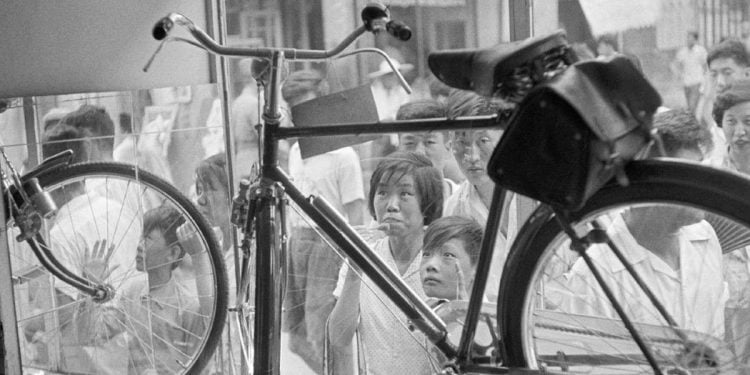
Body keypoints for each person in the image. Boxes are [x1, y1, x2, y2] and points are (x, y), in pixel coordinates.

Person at [554, 109, 726, 337]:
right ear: (648, 183)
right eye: (690, 173)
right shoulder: (595, 276)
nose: (704, 185)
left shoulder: (704, 237)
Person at [328, 151, 443, 375]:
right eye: (382, 193)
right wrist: (355, 268)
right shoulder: (364, 256)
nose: (391, 205)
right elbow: (339, 339)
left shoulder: (443, 257)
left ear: (427, 204)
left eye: (405, 194)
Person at [282, 68, 366, 373]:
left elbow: (356, 216)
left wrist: (351, 265)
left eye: (309, 106)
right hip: (298, 241)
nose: (303, 116)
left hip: (329, 244)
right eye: (295, 109)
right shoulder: (294, 150)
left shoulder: (343, 155)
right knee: (296, 338)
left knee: (323, 332)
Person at [122, 204, 207, 374]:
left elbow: (200, 366)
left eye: (148, 239)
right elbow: (93, 334)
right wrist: (89, 285)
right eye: (140, 238)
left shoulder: (189, 307)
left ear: (173, 253)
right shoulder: (131, 292)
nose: (139, 245)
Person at [712, 78, 750, 359]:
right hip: (725, 292)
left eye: (749, 121)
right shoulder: (708, 177)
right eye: (731, 122)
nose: (741, 131)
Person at [695, 39, 750, 166]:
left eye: (727, 73)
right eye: (714, 74)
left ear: (747, 74)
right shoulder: (716, 124)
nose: (720, 82)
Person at [395, 99, 459, 198]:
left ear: (448, 148)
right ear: (399, 149)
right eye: (410, 143)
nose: (419, 152)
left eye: (429, 142)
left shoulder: (465, 205)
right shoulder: (390, 206)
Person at [420, 216, 484, 302]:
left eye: (448, 255)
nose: (431, 265)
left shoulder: (493, 314)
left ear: (477, 267)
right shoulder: (416, 310)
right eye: (426, 254)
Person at [673, 31, 708, 113]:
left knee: (693, 105)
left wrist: (705, 77)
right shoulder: (682, 52)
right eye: (688, 38)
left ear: (696, 40)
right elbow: (675, 64)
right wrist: (678, 74)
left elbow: (706, 65)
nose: (689, 40)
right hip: (686, 82)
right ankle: (694, 121)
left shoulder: (700, 51)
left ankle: (694, 122)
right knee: (689, 105)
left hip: (697, 81)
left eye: (691, 39)